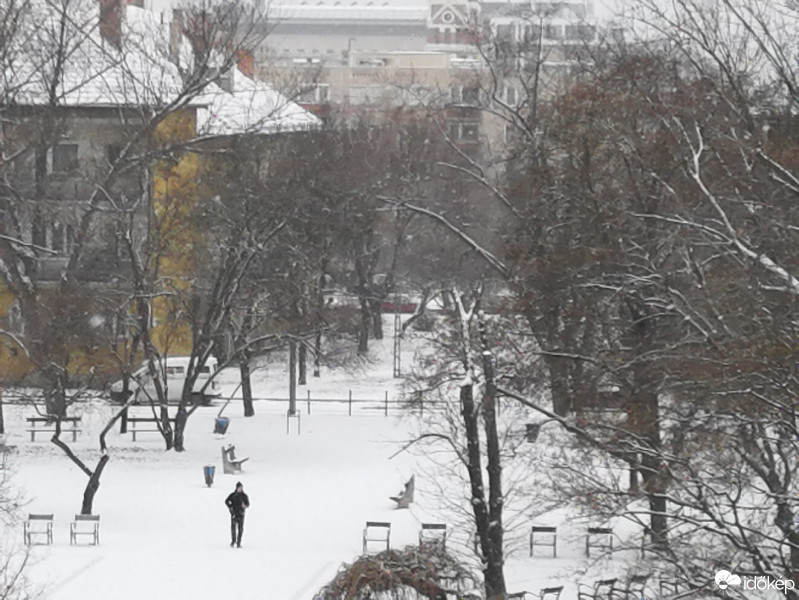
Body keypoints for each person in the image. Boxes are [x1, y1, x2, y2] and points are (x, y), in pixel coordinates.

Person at [225, 481, 250, 548]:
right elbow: (226, 501)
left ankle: (239, 542)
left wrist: (245, 506)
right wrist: (230, 507)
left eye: (241, 488)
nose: (240, 489)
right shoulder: (233, 495)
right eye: (239, 488)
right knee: (233, 528)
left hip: (241, 513)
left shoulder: (244, 496)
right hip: (234, 513)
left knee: (240, 529)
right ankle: (233, 541)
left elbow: (248, 504)